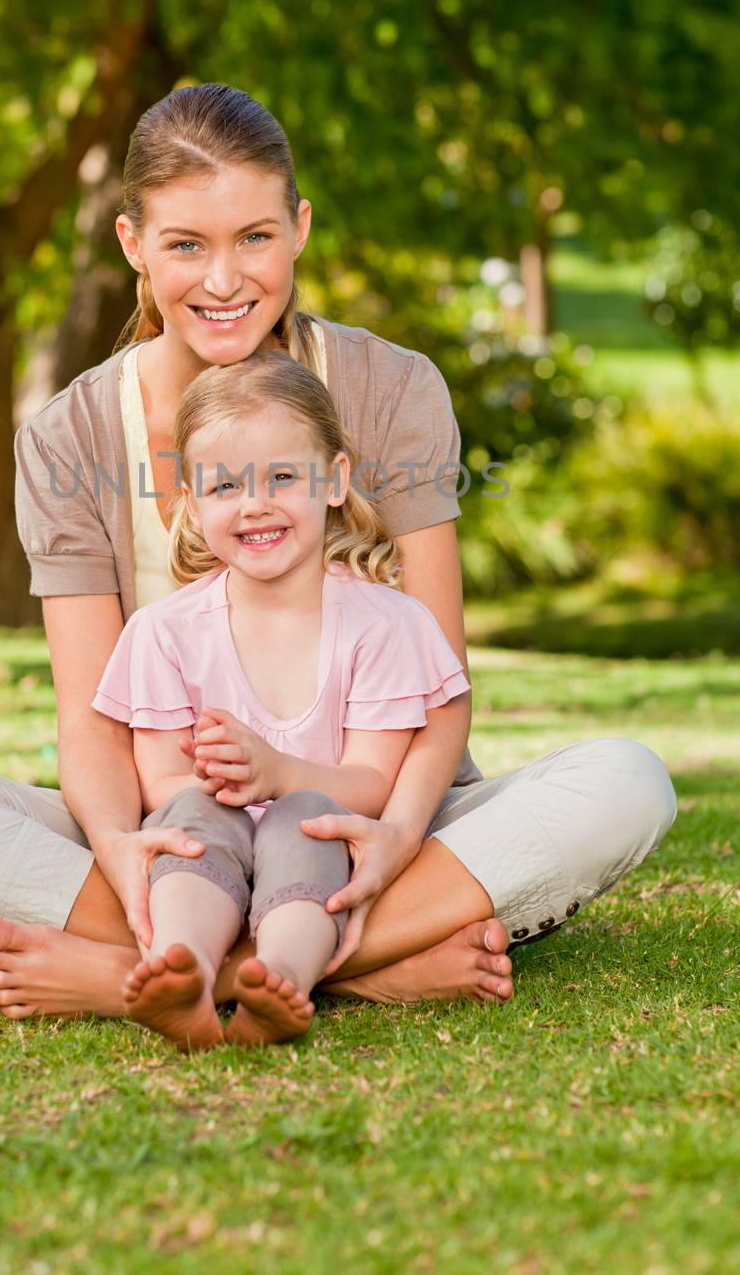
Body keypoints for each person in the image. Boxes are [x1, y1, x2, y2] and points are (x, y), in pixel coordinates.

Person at [0, 81, 677, 1020]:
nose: (222, 280)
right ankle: (343, 964)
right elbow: (91, 724)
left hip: (369, 816)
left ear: (299, 229)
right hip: (181, 836)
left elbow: (438, 694)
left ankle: (164, 974)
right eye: (184, 245)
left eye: (254, 237)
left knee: (625, 783)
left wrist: (399, 840)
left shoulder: (391, 389)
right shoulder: (69, 437)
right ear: (133, 244)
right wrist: (123, 852)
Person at [96, 349, 472, 1048]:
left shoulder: (384, 624)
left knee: (305, 821)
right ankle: (184, 968)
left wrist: (278, 777)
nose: (255, 504)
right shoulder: (164, 632)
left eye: (281, 478)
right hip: (213, 843)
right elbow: (159, 779)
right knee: (193, 819)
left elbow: (370, 784)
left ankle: (279, 981)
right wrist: (227, 785)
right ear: (189, 499)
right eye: (225, 485)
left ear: (333, 481)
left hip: (324, 836)